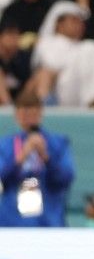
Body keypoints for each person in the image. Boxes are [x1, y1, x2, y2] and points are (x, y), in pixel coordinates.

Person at [0, 91, 74, 227]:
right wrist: (21, 156)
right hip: (12, 220)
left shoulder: (57, 143)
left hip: (48, 218)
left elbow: (66, 178)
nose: (28, 120)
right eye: (24, 115)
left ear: (40, 113)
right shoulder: (5, 145)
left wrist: (46, 157)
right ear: (16, 116)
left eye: (32, 115)